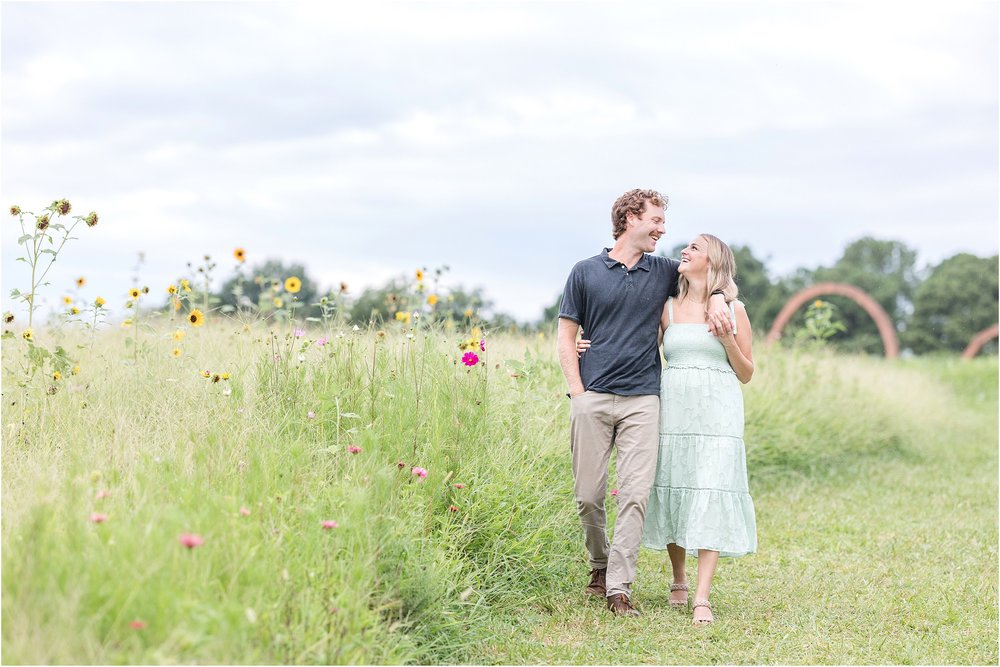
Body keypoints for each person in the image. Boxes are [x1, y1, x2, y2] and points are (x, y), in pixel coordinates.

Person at [557, 189, 732, 618]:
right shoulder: (584, 272)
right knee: (588, 496)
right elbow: (565, 336)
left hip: (643, 400)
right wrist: (577, 393)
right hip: (592, 396)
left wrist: (717, 298)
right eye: (656, 219)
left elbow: (713, 275)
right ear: (631, 218)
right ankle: (599, 565)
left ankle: (619, 588)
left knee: (635, 496)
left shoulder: (663, 271)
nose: (663, 228)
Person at [578, 233, 757, 625]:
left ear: (711, 261)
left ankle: (702, 598)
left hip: (718, 410)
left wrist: (726, 338)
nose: (684, 251)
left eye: (694, 248)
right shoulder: (669, 307)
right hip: (673, 407)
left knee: (710, 489)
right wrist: (589, 347)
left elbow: (746, 373)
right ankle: (678, 578)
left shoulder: (734, 310)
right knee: (676, 485)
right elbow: (640, 345)